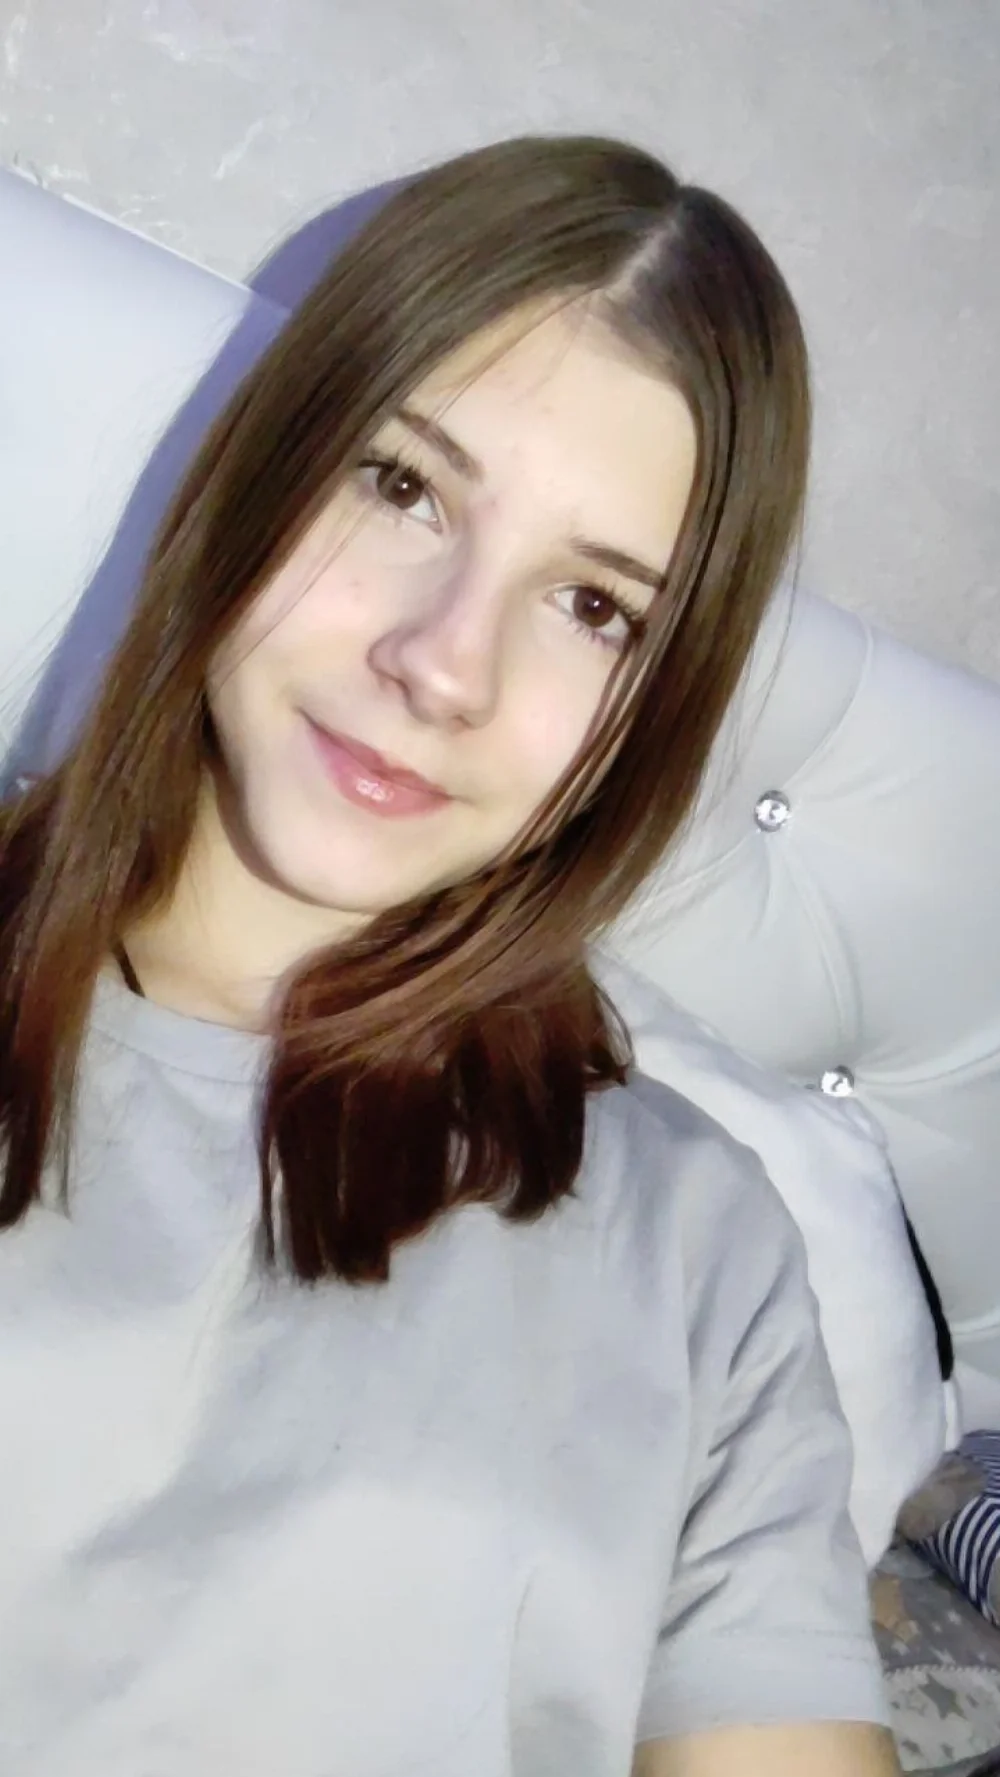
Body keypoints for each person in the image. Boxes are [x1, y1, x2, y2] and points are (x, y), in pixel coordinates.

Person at [0, 134, 901, 1775]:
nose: (444, 663)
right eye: (403, 486)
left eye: (594, 607)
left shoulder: (702, 1247)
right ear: (273, 462)